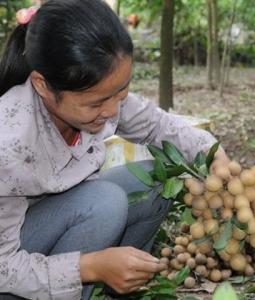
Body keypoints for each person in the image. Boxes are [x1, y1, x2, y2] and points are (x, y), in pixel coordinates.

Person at [0, 0, 229, 299]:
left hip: (55, 225)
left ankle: (118, 288)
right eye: (95, 102)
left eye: (120, 92)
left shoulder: (104, 98)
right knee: (104, 202)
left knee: (158, 179)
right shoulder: (9, 144)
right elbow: (4, 267)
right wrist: (89, 267)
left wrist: (216, 158)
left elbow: (159, 126)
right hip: (13, 270)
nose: (111, 110)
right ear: (42, 85)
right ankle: (91, 281)